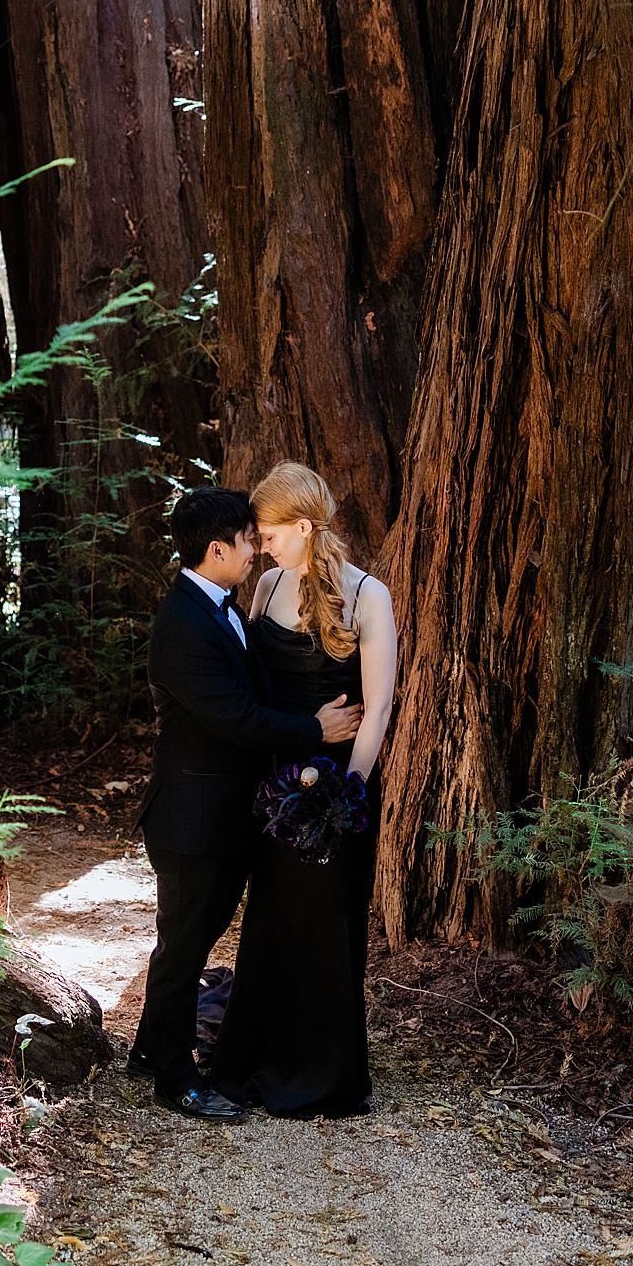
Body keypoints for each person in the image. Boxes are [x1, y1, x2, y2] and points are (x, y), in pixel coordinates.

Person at [130, 486, 362, 1122]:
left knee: (190, 941)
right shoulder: (182, 623)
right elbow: (236, 718)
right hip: (192, 820)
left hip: (223, 816)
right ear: (216, 550)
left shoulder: (222, 605)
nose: (256, 551)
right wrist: (317, 730)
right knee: (183, 950)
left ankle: (153, 1048)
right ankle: (177, 1080)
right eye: (246, 542)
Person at [207, 461, 399, 1118]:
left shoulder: (369, 596)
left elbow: (376, 710)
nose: (261, 545)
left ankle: (323, 1073)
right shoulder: (265, 586)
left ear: (305, 525)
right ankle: (257, 1056)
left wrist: (349, 792)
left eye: (270, 533)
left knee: (325, 925)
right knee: (270, 921)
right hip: (274, 787)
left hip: (336, 794)